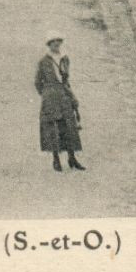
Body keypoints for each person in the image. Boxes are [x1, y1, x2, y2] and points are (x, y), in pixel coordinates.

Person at [35, 31, 85, 172]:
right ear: (49, 45)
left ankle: (72, 158)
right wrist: (47, 94)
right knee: (53, 128)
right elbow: (38, 82)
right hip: (51, 98)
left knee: (69, 126)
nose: (56, 44)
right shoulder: (43, 62)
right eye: (53, 42)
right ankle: (56, 160)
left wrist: (71, 95)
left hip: (64, 95)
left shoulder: (64, 59)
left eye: (58, 41)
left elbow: (66, 79)